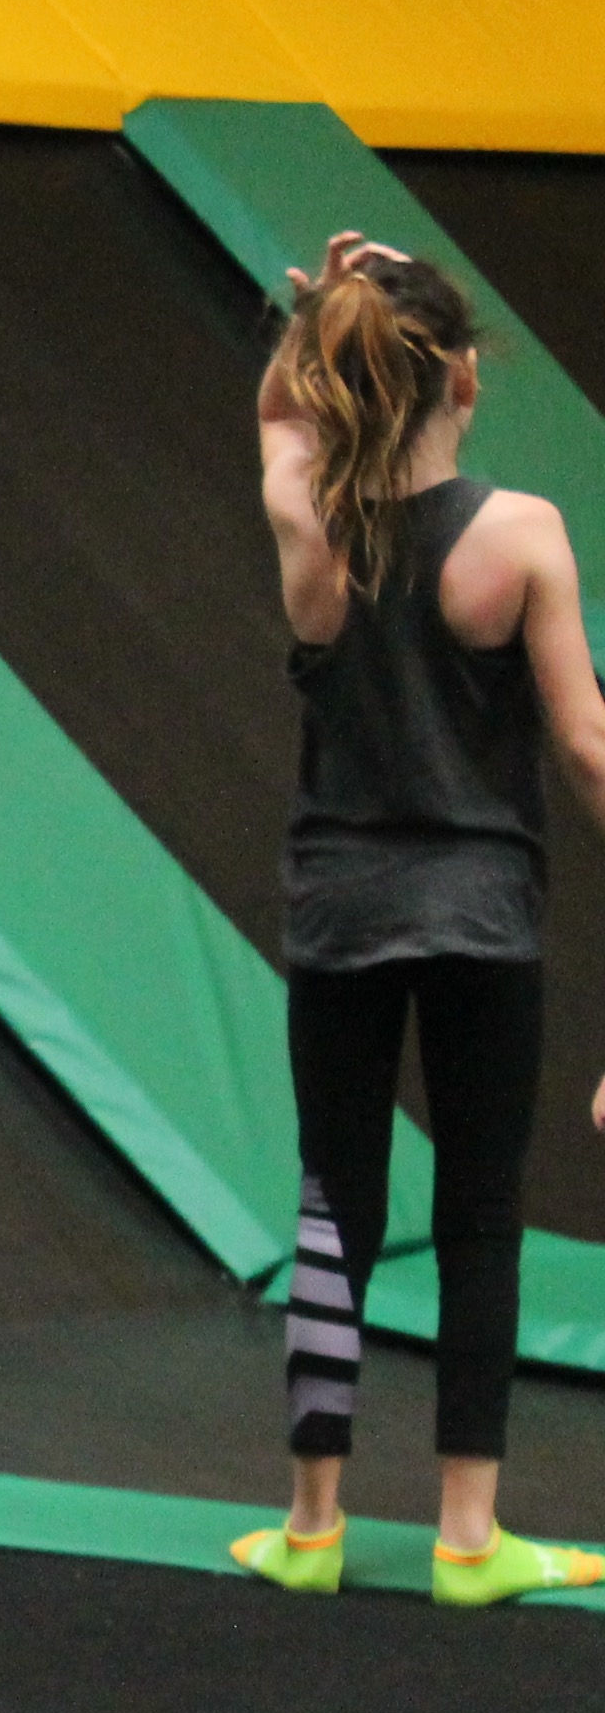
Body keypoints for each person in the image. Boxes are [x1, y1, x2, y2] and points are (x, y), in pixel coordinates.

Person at [229, 236, 605, 1606]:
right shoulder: (522, 537)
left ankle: (312, 1525)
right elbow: (586, 745)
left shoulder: (305, 509)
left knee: (334, 1206)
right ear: (463, 377)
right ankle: (468, 1538)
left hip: (339, 906)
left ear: (336, 389)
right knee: (482, 1215)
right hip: (483, 916)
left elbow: (279, 410)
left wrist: (310, 310)